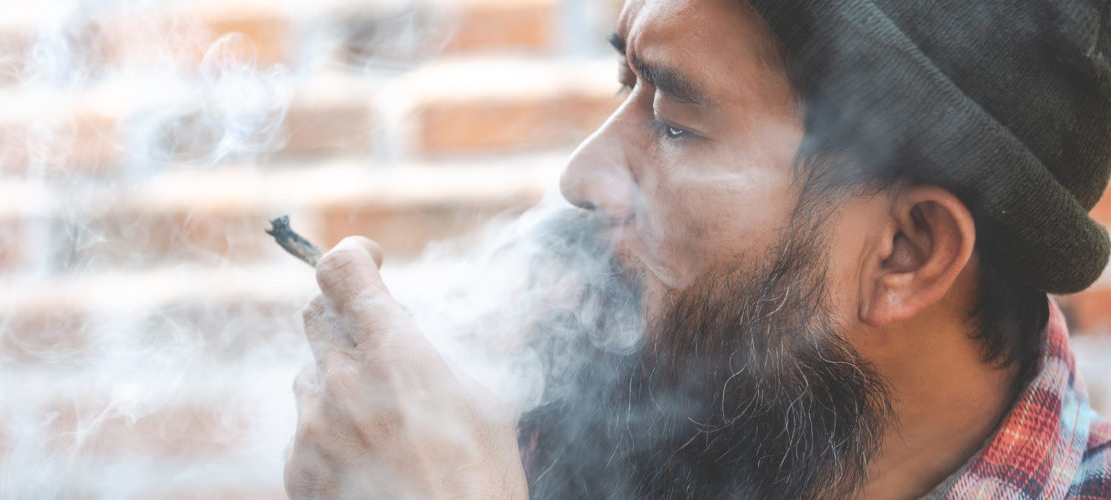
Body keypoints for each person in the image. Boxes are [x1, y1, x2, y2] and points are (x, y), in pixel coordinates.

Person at [282, 0, 1111, 498]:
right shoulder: (574, 452)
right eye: (626, 88)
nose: (582, 176)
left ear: (906, 252)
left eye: (678, 123)